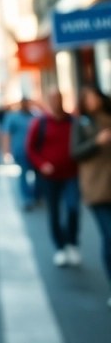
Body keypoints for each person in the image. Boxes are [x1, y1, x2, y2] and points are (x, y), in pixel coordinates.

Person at [26, 90, 81, 267]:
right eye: (53, 99)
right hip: (49, 177)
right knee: (54, 212)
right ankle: (60, 247)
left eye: (58, 99)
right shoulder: (40, 122)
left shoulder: (73, 121)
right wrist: (41, 164)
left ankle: (72, 242)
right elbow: (31, 149)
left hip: (71, 174)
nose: (56, 102)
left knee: (73, 208)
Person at [72, 85, 111, 309]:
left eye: (96, 96)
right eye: (88, 98)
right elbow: (75, 152)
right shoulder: (82, 123)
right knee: (109, 236)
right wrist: (96, 142)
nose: (93, 101)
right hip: (97, 186)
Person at [1, 98, 40, 209]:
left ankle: (36, 196)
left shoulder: (35, 116)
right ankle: (26, 199)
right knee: (24, 174)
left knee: (37, 174)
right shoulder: (13, 117)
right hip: (20, 150)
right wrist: (6, 150)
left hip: (35, 151)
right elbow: (6, 133)